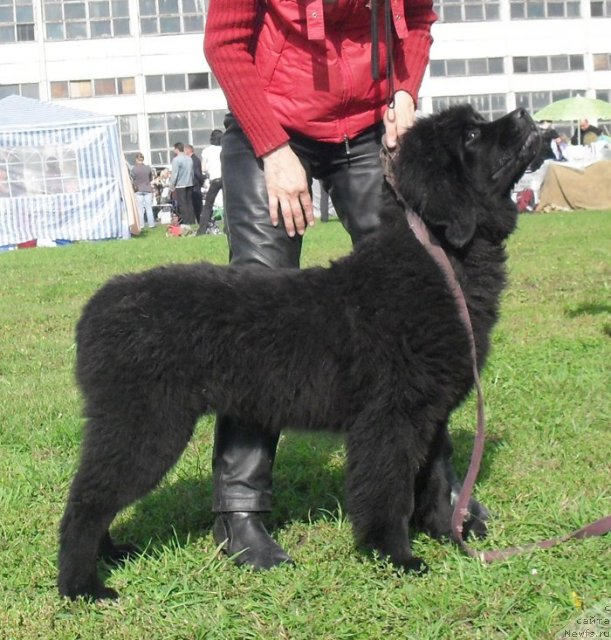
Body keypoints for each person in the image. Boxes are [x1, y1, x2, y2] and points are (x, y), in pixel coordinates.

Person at [204, 0, 441, 569]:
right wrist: (270, 147)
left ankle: (434, 495)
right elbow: (224, 43)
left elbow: (421, 17)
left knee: (415, 305)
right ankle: (240, 510)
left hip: (367, 125)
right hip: (274, 121)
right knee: (258, 309)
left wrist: (405, 91)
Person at [197, 129, 224, 236]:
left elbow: (203, 168)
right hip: (225, 178)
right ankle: (229, 228)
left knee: (208, 205)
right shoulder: (225, 149)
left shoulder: (206, 151)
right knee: (228, 205)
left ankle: (202, 230)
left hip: (214, 180)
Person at [169, 142, 195, 224]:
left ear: (177, 149)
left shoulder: (176, 160)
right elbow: (192, 172)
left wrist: (172, 185)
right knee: (189, 203)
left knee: (182, 204)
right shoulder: (189, 158)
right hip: (189, 183)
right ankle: (192, 220)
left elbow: (175, 174)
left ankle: (186, 221)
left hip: (180, 185)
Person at [130, 152, 156, 229]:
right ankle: (151, 224)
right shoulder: (148, 168)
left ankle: (141, 225)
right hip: (148, 189)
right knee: (149, 207)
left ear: (136, 159)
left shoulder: (134, 169)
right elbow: (151, 178)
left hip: (138, 189)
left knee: (140, 208)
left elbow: (132, 179)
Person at [185, 144, 204, 223]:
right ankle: (198, 219)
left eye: (185, 150)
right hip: (195, 183)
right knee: (195, 203)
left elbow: (197, 172)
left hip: (195, 184)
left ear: (189, 150)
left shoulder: (193, 160)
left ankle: (199, 220)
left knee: (197, 204)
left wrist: (201, 181)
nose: (184, 152)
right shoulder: (194, 159)